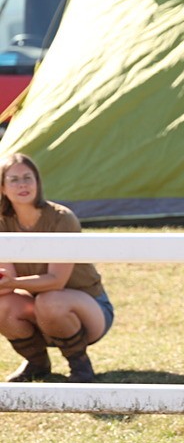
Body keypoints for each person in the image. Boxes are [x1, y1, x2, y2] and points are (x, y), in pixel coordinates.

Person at [0, 153, 113, 382]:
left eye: (28, 177)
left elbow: (56, 281)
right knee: (3, 304)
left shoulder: (62, 218)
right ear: (2, 187)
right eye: (14, 179)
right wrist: (6, 283)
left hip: (87, 308)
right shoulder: (2, 222)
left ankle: (80, 367)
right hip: (39, 309)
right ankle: (37, 364)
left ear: (38, 182)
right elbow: (7, 281)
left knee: (50, 300)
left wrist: (11, 283)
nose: (22, 184)